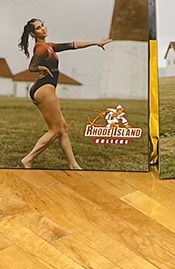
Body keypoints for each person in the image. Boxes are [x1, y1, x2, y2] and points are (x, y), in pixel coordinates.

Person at [16, 19, 111, 169]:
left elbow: (73, 45)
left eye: (43, 25)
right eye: (38, 28)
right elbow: (32, 67)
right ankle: (28, 159)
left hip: (45, 88)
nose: (43, 29)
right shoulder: (41, 49)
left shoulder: (49, 46)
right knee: (55, 129)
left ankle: (73, 165)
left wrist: (95, 43)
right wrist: (41, 67)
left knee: (63, 128)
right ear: (33, 34)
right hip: (44, 89)